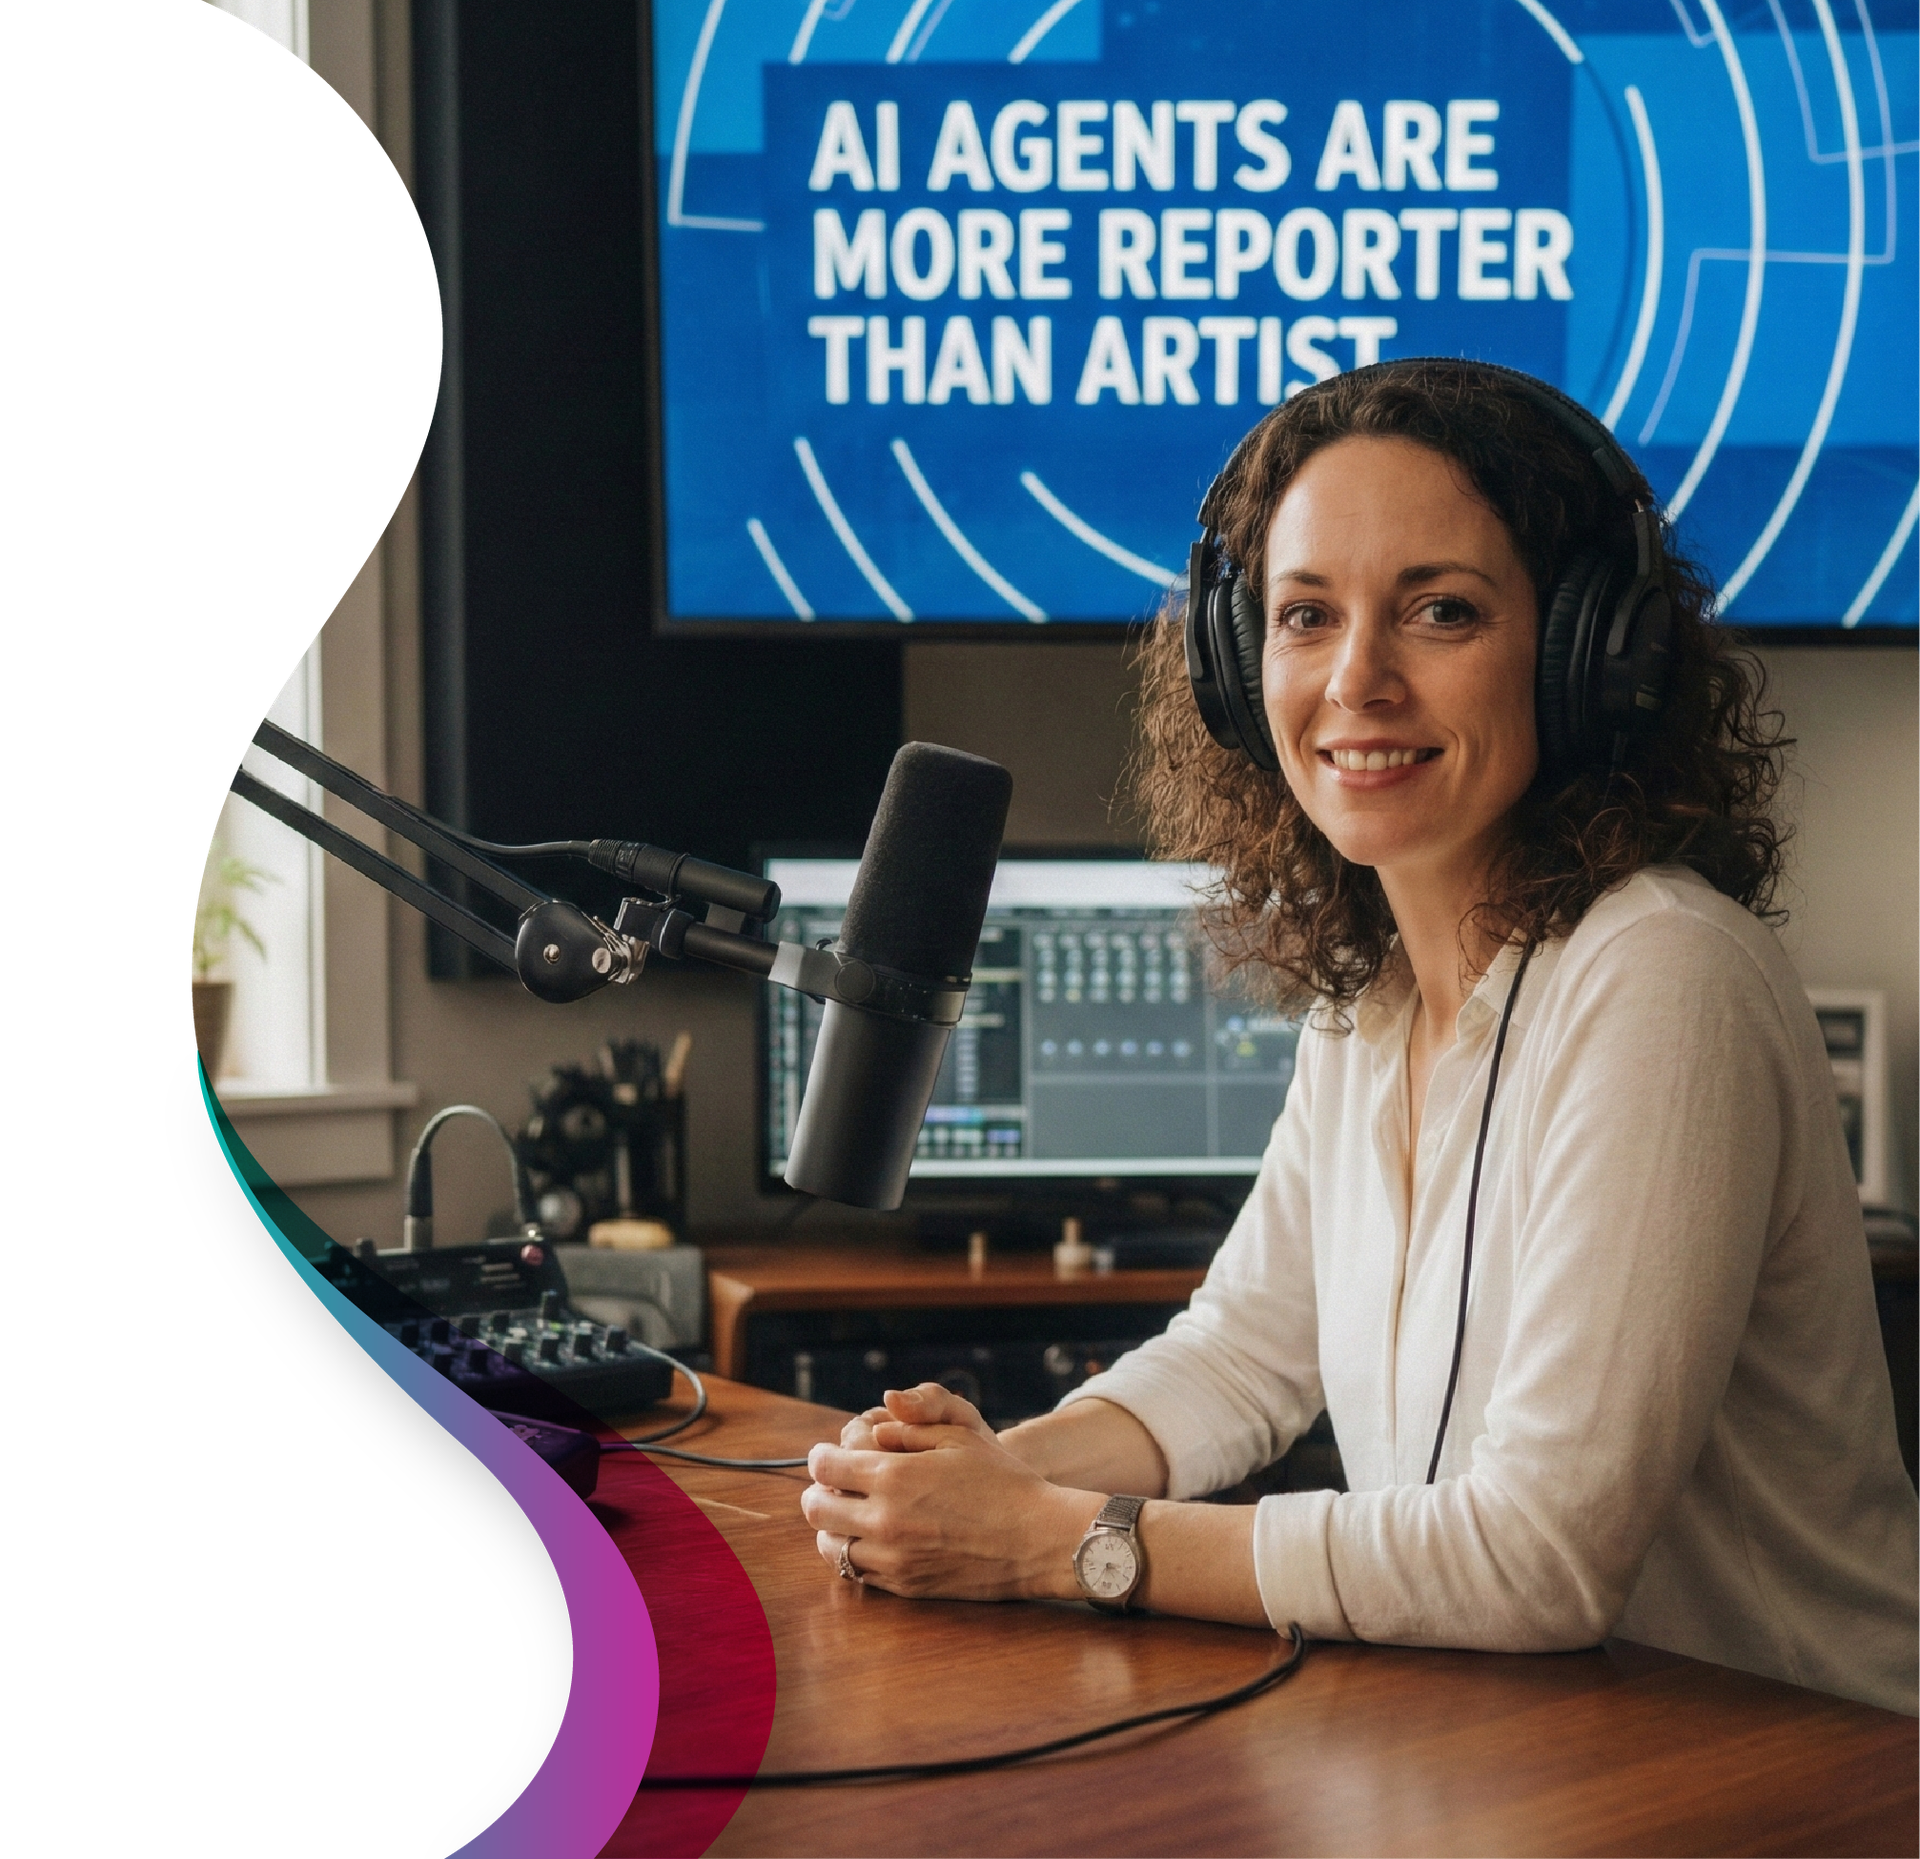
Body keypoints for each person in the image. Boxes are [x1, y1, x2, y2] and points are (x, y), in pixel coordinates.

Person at [800, 359, 1920, 1714]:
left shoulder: (1665, 976)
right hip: (1525, 1745)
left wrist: (1052, 1542)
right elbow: (1242, 1357)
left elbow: (1537, 1559)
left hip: (1790, 1763)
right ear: (1238, 667)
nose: (1357, 679)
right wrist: (980, 1479)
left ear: (1590, 655)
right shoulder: (1375, 1001)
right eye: (1305, 615)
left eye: (1442, 611)